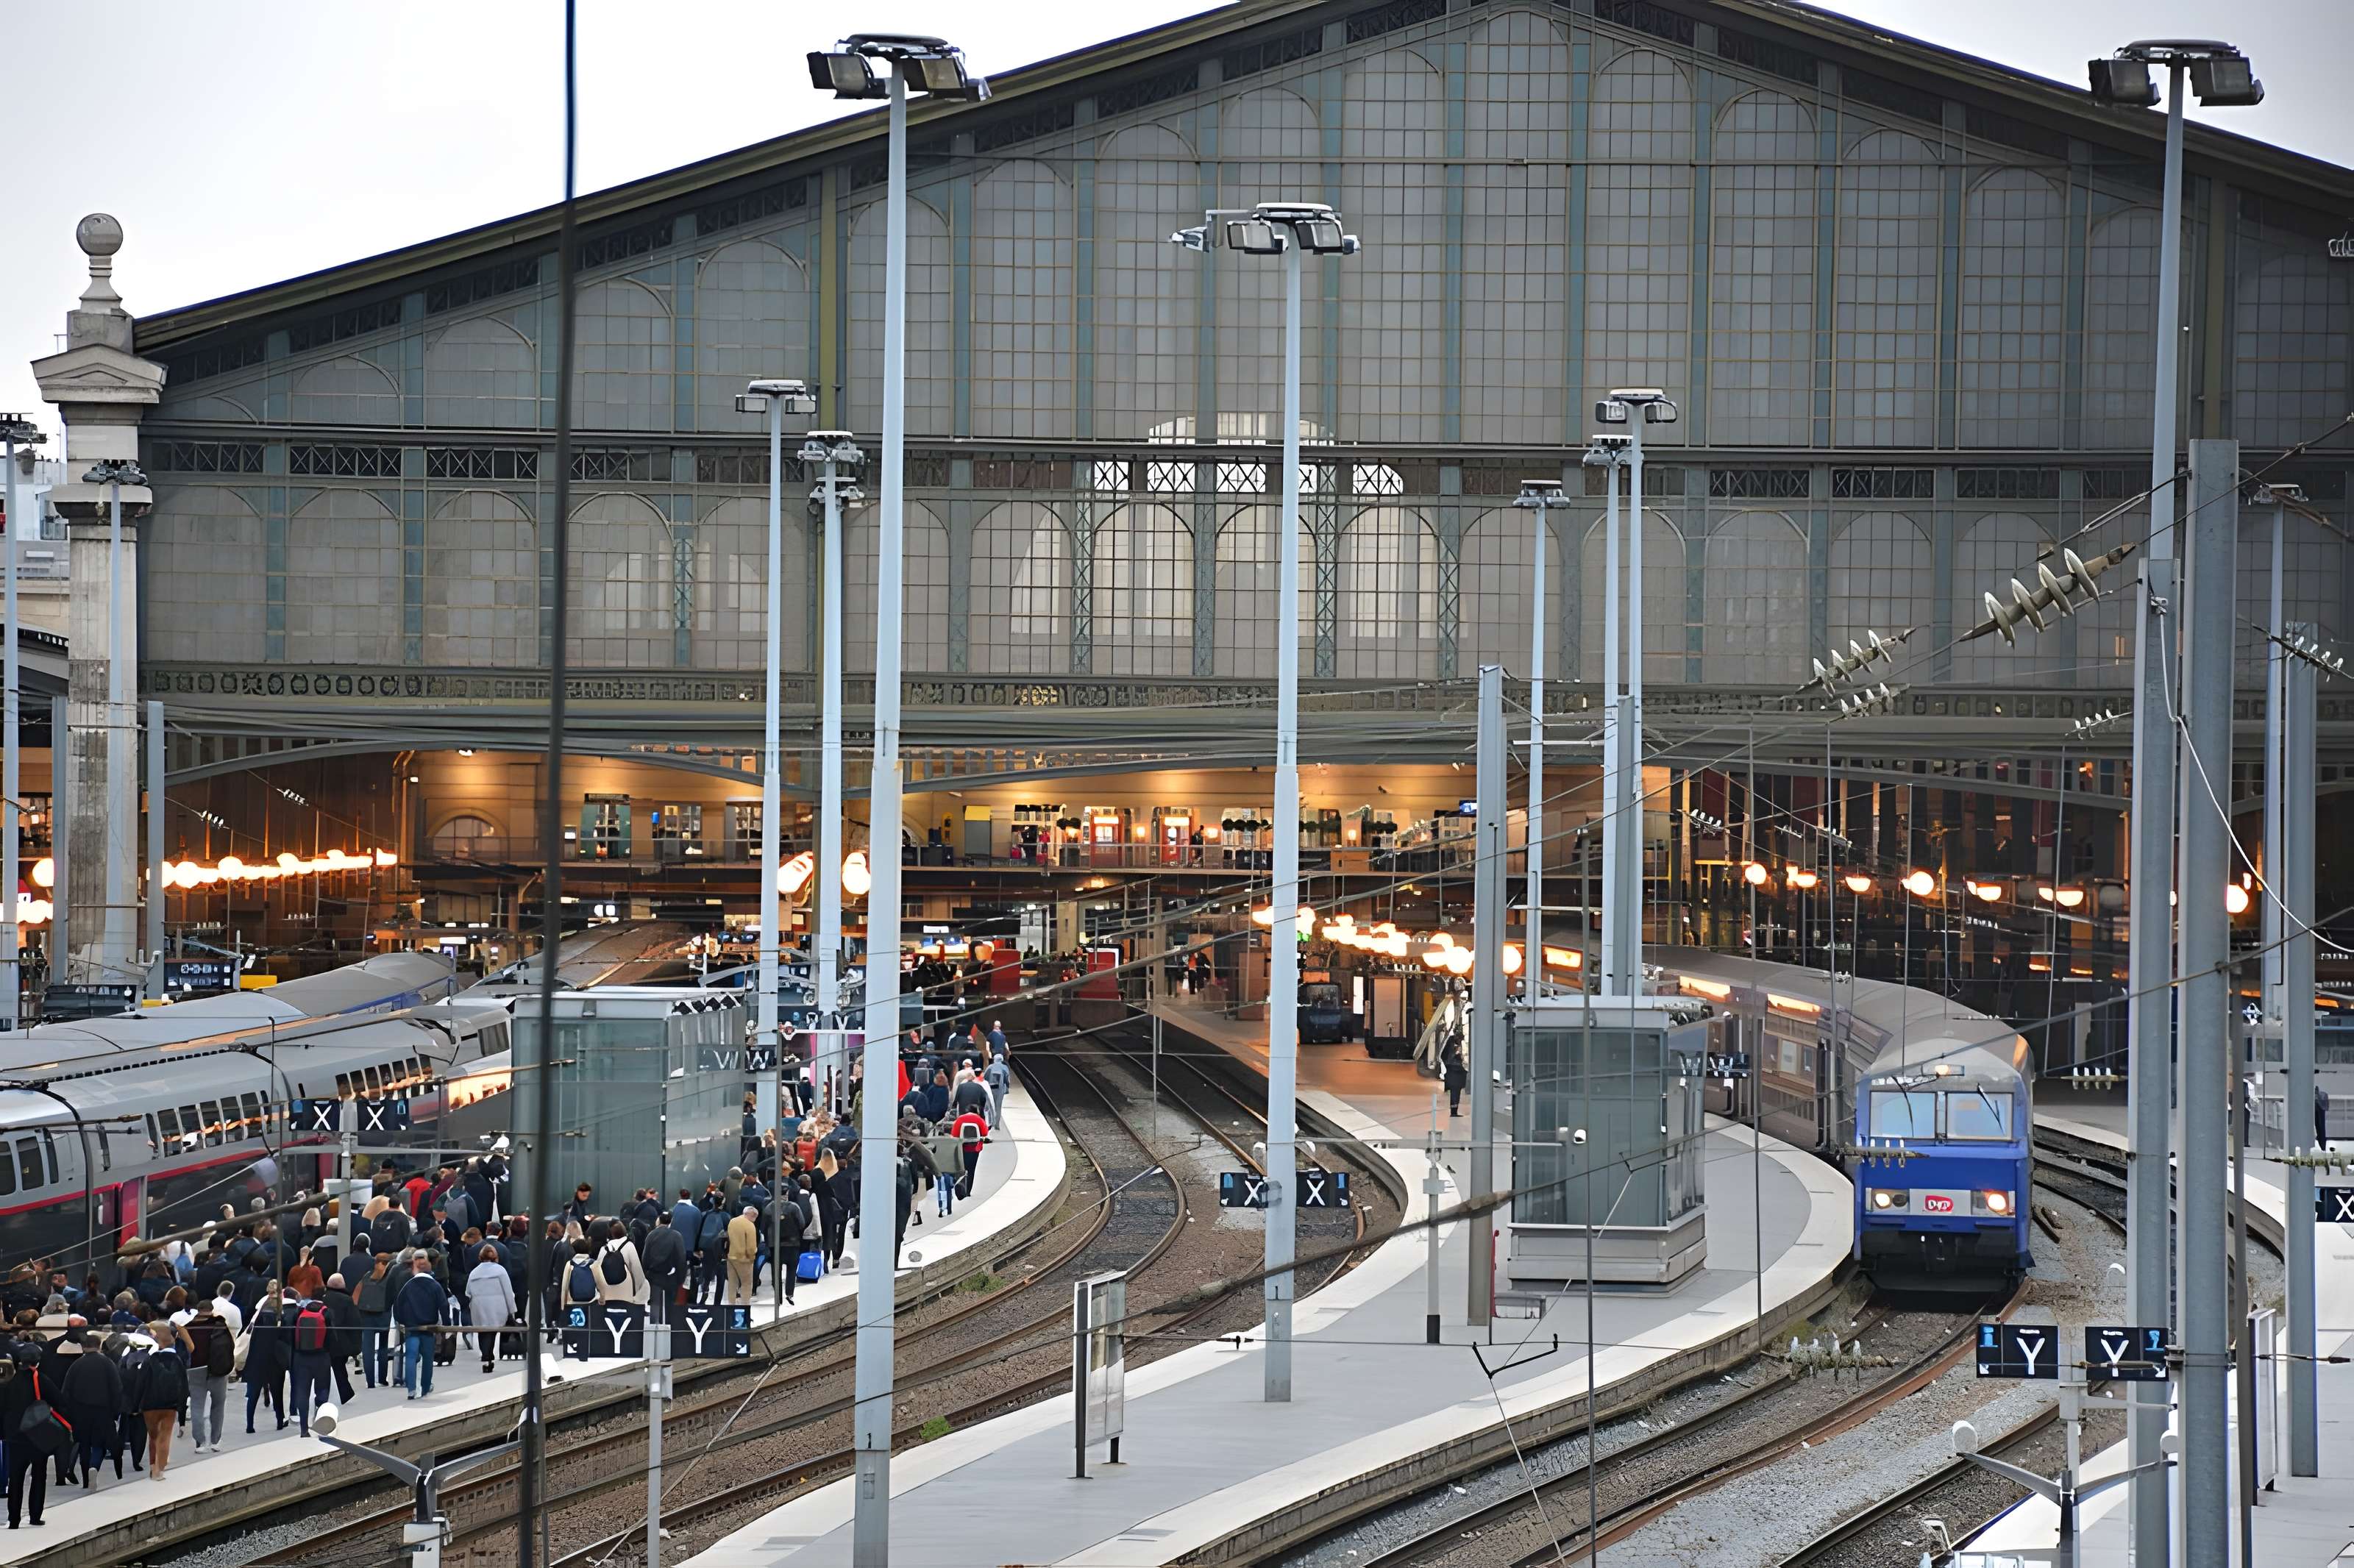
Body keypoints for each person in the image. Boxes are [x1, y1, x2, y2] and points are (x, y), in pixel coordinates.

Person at [60, 1328, 122, 1490]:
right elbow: (117, 1389)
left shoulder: (76, 1365)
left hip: (80, 1412)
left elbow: (66, 1392)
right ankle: (94, 1466)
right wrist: (115, 1413)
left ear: (83, 1347)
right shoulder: (108, 1364)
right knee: (100, 1443)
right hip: (103, 1411)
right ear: (99, 1345)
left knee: (84, 1444)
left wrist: (70, 1414)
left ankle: (86, 1480)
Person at [135, 1328, 188, 1480]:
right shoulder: (178, 1361)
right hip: (170, 1405)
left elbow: (140, 1383)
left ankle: (153, 1468)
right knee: (165, 1437)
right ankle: (160, 1470)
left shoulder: (150, 1360)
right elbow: (184, 1386)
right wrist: (182, 1408)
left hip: (150, 1405)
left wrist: (136, 1404)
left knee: (153, 1437)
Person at [394, 1256, 449, 1400]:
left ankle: (411, 1389)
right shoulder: (435, 1286)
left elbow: (397, 1305)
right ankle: (425, 1387)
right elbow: (444, 1305)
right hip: (429, 1328)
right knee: (428, 1358)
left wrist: (402, 1322)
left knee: (411, 1357)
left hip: (412, 1327)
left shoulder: (408, 1286)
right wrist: (447, 1326)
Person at [183, 1297, 234, 1454]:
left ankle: (200, 1443)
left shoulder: (188, 1327)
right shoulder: (220, 1324)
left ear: (198, 1311)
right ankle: (215, 1441)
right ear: (212, 1310)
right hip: (218, 1369)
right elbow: (230, 1346)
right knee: (218, 1404)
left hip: (196, 1369)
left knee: (197, 1405)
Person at [2, 1347, 46, 1527]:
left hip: (15, 1436)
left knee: (16, 1477)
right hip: (38, 1437)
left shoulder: (9, 1384)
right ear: (37, 1362)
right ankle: (35, 1516)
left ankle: (14, 1519)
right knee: (39, 1476)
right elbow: (59, 1402)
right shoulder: (42, 1381)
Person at [286, 1293, 335, 1436]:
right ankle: (320, 1422)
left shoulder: (299, 1313)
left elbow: (292, 1336)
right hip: (321, 1358)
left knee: (303, 1392)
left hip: (301, 1359)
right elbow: (332, 1338)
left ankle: (304, 1429)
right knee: (322, 1390)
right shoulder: (327, 1313)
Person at [463, 1246, 516, 1375]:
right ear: (496, 1256)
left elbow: (468, 1292)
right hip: (498, 1306)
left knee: (483, 1331)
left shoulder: (474, 1272)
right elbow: (508, 1292)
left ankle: (486, 1354)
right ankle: (491, 1354)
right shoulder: (501, 1271)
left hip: (479, 1306)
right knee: (493, 1331)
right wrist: (512, 1310)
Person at [243, 1292, 288, 1433]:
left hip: (257, 1360)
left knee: (253, 1396)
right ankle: (279, 1421)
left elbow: (251, 1341)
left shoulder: (258, 1321)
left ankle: (250, 1425)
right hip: (275, 1362)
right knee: (277, 1394)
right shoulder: (281, 1320)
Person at [354, 1252, 395, 1389]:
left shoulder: (367, 1276)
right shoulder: (390, 1278)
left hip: (366, 1315)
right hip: (383, 1314)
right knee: (383, 1346)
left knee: (368, 1348)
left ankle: (370, 1382)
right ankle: (383, 1378)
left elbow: (356, 1296)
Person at [641, 1210, 689, 1323]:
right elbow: (681, 1258)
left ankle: (654, 1327)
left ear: (659, 1220)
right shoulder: (676, 1236)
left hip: (655, 1276)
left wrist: (646, 1274)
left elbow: (645, 1257)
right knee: (670, 1305)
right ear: (671, 1221)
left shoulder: (651, 1235)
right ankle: (669, 1326)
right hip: (671, 1276)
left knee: (655, 1304)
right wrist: (681, 1278)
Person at [321, 1272, 360, 1404]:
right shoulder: (346, 1300)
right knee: (340, 1369)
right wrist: (355, 1346)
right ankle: (345, 1394)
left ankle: (333, 1394)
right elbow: (354, 1322)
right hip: (341, 1341)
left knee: (332, 1369)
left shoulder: (322, 1298)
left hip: (324, 1340)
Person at [951, 1105, 990, 1200]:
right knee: (971, 1170)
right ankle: (968, 1191)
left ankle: (959, 1189)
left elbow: (954, 1134)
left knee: (961, 1169)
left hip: (961, 1149)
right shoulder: (979, 1120)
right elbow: (985, 1133)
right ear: (977, 1111)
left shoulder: (960, 1119)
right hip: (974, 1149)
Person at [725, 1206, 760, 1305]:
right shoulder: (750, 1225)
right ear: (753, 1215)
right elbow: (751, 1247)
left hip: (731, 1257)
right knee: (746, 1284)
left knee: (732, 1284)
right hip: (744, 1260)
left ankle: (731, 1305)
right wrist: (752, 1258)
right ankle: (745, 1306)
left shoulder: (732, 1221)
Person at [1441, 1031, 1468, 1118]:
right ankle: (1454, 1112)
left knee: (1456, 1092)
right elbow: (1445, 1056)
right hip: (1454, 1070)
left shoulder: (1454, 1043)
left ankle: (1454, 1111)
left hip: (1458, 1070)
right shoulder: (1451, 1043)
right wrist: (1455, 1054)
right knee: (1455, 1092)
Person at [984, 1050, 1011, 1128]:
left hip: (990, 1089)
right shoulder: (1005, 1068)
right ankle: (997, 1124)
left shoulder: (990, 1067)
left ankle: (990, 1123)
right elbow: (1007, 1080)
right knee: (998, 1107)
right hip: (1000, 1089)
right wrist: (1007, 1088)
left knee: (990, 1106)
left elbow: (985, 1077)